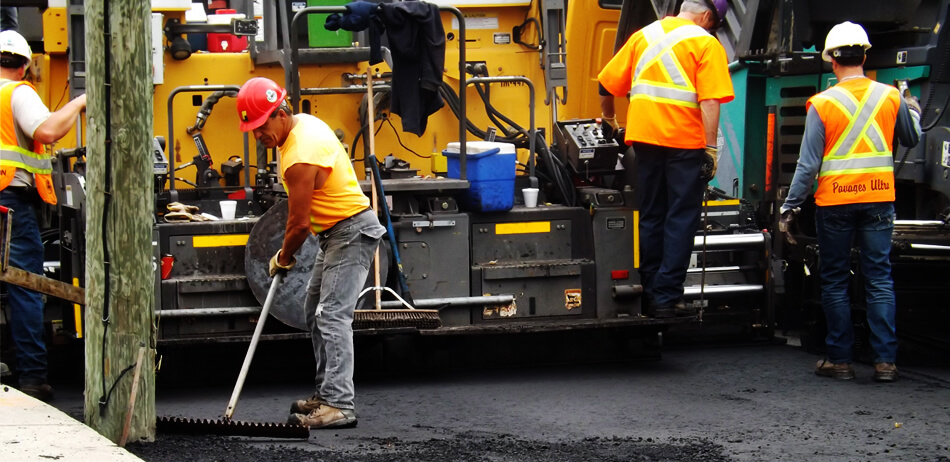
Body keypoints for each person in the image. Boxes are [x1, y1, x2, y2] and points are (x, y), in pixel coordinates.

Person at [235, 77, 384, 428]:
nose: (259, 135)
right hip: (334, 232)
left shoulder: (301, 155)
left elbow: (298, 224)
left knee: (332, 314)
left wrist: (283, 257)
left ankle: (339, 405)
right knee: (314, 309)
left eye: (262, 125)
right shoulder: (301, 125)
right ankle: (327, 391)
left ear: (280, 113)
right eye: (253, 129)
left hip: (350, 230)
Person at [779, 21, 921, 382]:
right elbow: (911, 137)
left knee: (836, 279)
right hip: (877, 199)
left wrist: (790, 205)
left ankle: (839, 360)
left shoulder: (823, 103)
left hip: (836, 204)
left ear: (832, 61)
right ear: (865, 55)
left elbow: (809, 164)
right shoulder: (890, 96)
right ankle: (885, 362)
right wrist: (913, 109)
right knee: (879, 279)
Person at [598, 0, 734, 318]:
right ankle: (667, 297)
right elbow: (710, 100)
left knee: (651, 214)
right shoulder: (705, 43)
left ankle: (648, 291)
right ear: (706, 16)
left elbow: (606, 83)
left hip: (645, 138)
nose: (710, 28)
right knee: (681, 216)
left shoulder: (643, 35)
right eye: (712, 23)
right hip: (684, 142)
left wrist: (609, 119)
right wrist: (711, 149)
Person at [1, 30, 86, 402]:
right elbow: (48, 129)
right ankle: (32, 377)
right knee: (25, 286)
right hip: (9, 201)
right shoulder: (16, 92)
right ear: (23, 66)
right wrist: (80, 102)